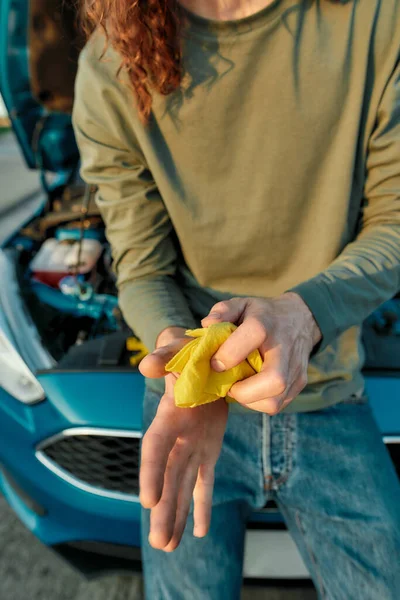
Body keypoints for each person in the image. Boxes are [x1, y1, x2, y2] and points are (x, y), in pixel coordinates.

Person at [72, 0, 400, 597]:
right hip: (184, 404)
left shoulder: (376, 19)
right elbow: (142, 267)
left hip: (328, 389)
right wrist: (184, 364)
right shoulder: (111, 63)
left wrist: (305, 316)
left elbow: (394, 219)